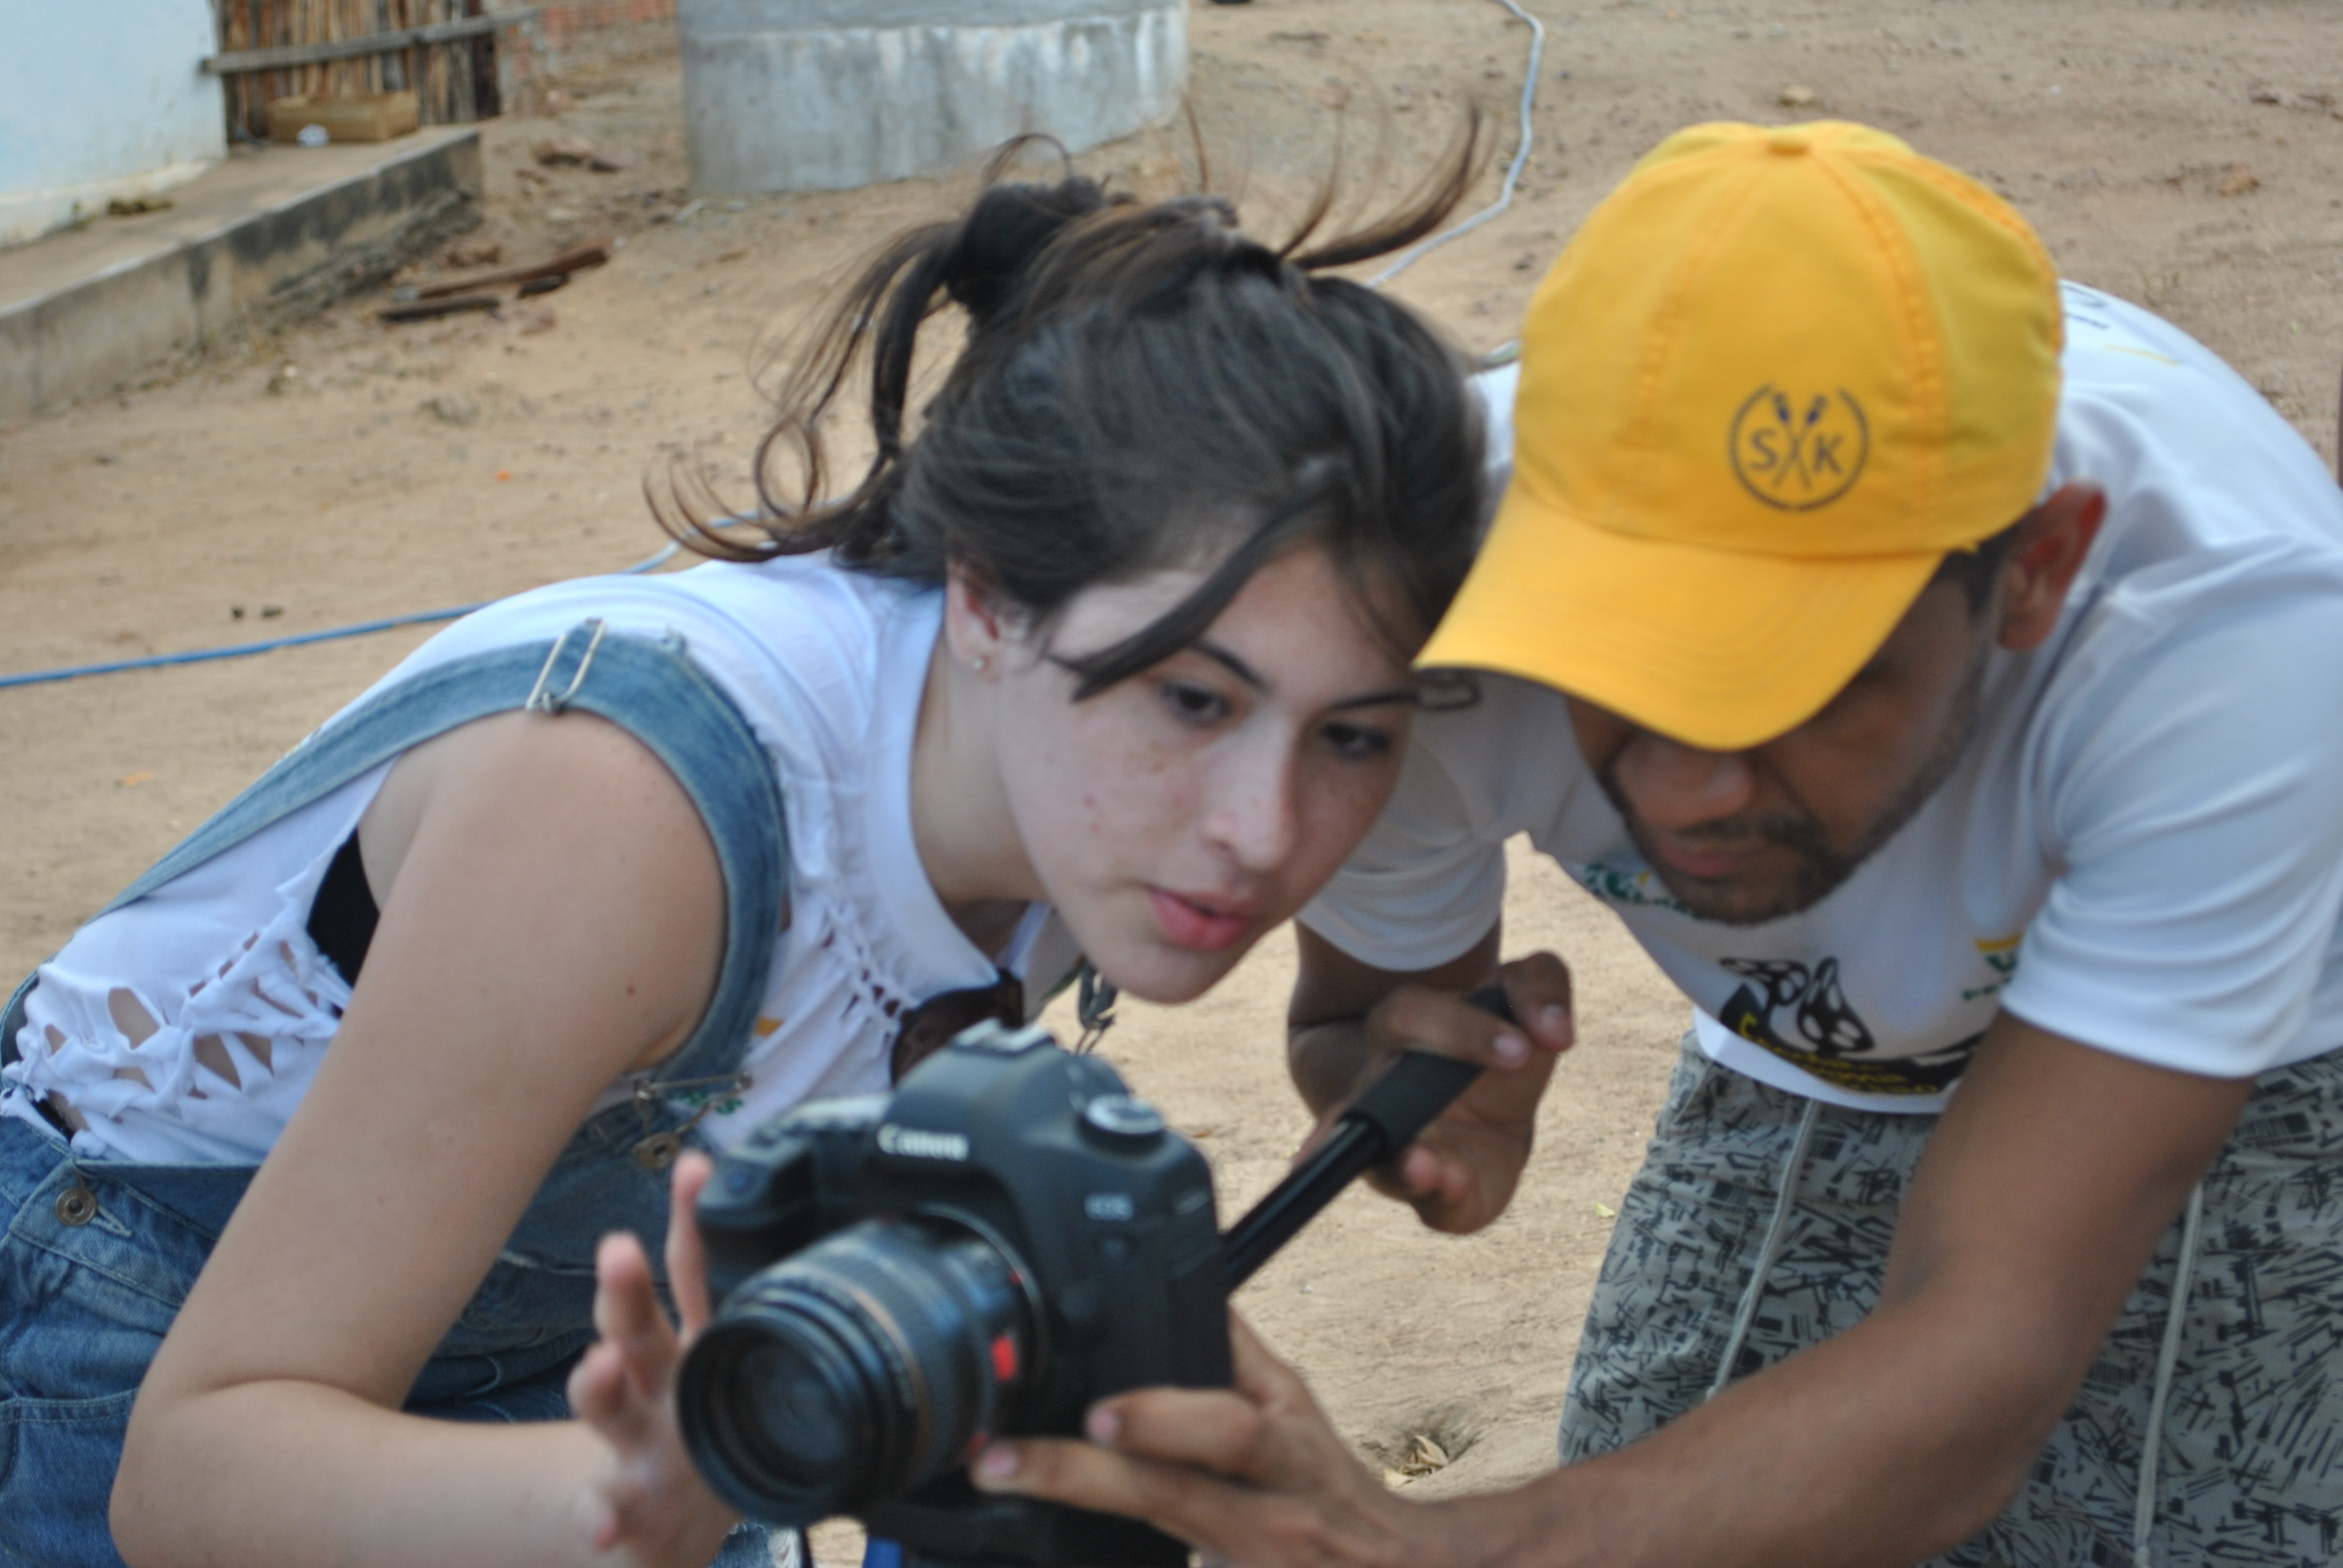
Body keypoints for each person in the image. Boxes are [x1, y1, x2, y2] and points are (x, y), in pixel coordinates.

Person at [0, 154, 1493, 1568]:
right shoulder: (628, 809)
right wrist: (616, 1503)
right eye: (1193, 701)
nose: (1265, 832)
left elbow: (1367, 1017)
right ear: (984, 599)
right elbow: (190, 1478)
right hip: (151, 1313)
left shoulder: (1076, 770)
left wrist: (1409, 1072)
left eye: (1355, 736)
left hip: (603, 1361)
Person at [963, 121, 2343, 1567]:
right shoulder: (1403, 597)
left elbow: (1988, 1342)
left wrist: (1426, 1550)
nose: (1682, 795)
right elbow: (1355, 1024)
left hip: (2258, 1053)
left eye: (1798, 687)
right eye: (1617, 664)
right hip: (1813, 1048)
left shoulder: (2235, 647)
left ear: (2034, 573)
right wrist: (1409, 1098)